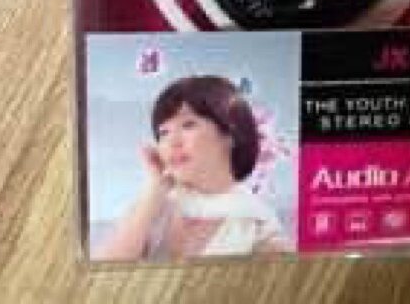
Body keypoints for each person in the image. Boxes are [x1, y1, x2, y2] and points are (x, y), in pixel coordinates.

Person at [98, 75, 291, 259]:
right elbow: (104, 273)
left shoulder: (257, 225)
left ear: (230, 133)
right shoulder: (153, 207)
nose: (172, 141)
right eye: (163, 132)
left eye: (188, 125)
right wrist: (157, 188)